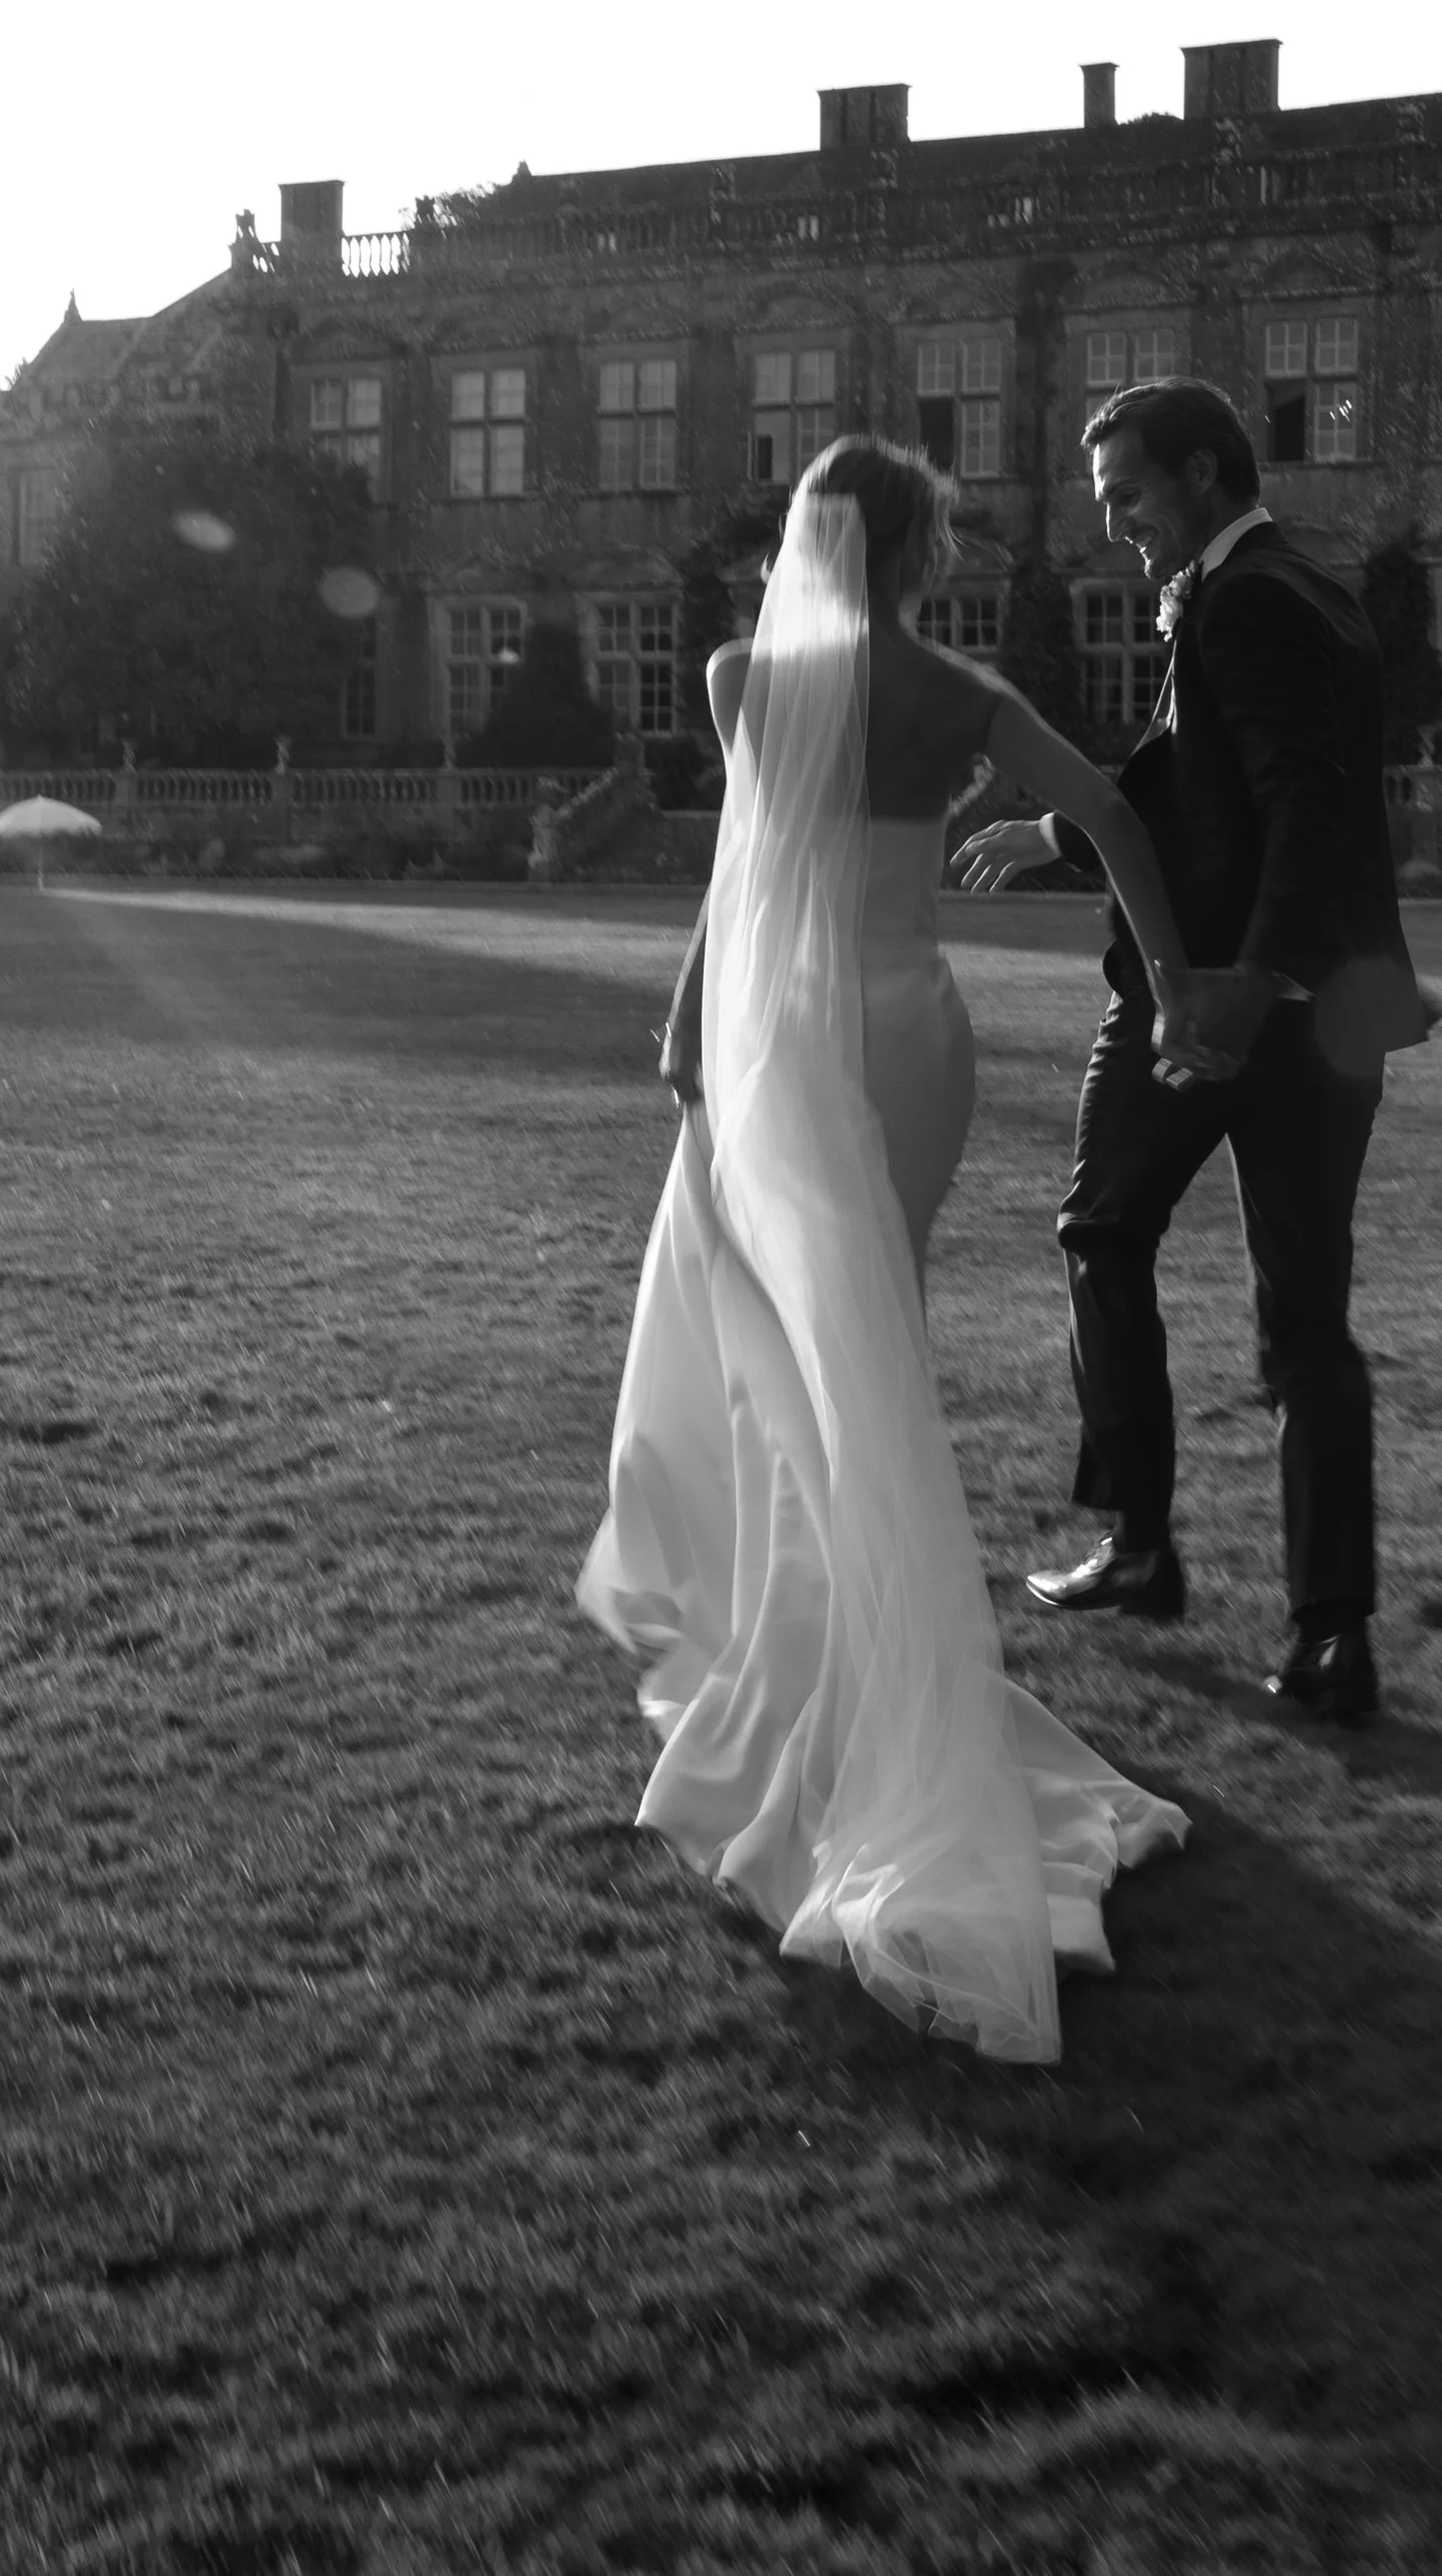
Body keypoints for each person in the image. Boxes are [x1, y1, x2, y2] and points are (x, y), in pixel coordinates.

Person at [578, 438, 1193, 2065]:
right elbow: (1119, 808)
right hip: (907, 1032)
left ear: (806, 538)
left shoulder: (736, 674)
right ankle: (859, 1661)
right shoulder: (964, 692)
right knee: (869, 1346)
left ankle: (825, 1668)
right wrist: (1180, 981)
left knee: (794, 1349)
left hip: (783, 1036)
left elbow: (749, 860)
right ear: (922, 554)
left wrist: (685, 1016)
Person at [953, 378, 1430, 1726]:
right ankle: (1328, 1630)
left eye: (1131, 498)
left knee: (1106, 1231)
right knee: (1301, 1316)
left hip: (1230, 1001)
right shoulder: (1294, 587)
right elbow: (1195, 761)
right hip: (1328, 1014)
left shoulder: (1250, 599)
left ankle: (1146, 1545)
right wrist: (1057, 836)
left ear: (1207, 475)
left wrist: (1238, 984)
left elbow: (1304, 804)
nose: (1118, 529)